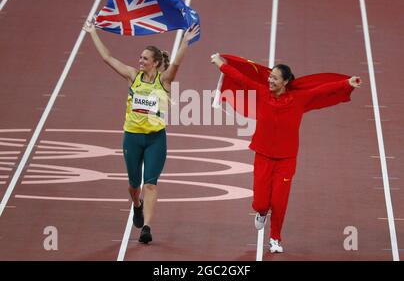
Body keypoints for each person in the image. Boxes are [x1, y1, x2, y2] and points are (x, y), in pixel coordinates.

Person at [210, 54, 361, 253]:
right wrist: (221, 64)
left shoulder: (299, 99)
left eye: (275, 78)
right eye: (270, 76)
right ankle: (261, 212)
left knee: (280, 202)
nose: (270, 80)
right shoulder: (262, 92)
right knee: (261, 202)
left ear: (286, 82)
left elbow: (321, 90)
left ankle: (275, 238)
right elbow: (241, 79)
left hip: (286, 159)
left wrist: (346, 83)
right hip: (263, 155)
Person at [83, 20, 200, 243]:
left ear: (155, 63)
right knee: (134, 184)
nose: (140, 60)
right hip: (132, 138)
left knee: (151, 183)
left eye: (145, 58)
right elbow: (107, 58)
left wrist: (185, 42)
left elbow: (176, 63)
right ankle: (137, 204)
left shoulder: (164, 81)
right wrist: (93, 33)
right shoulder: (132, 76)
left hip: (156, 139)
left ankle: (146, 228)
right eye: (140, 58)